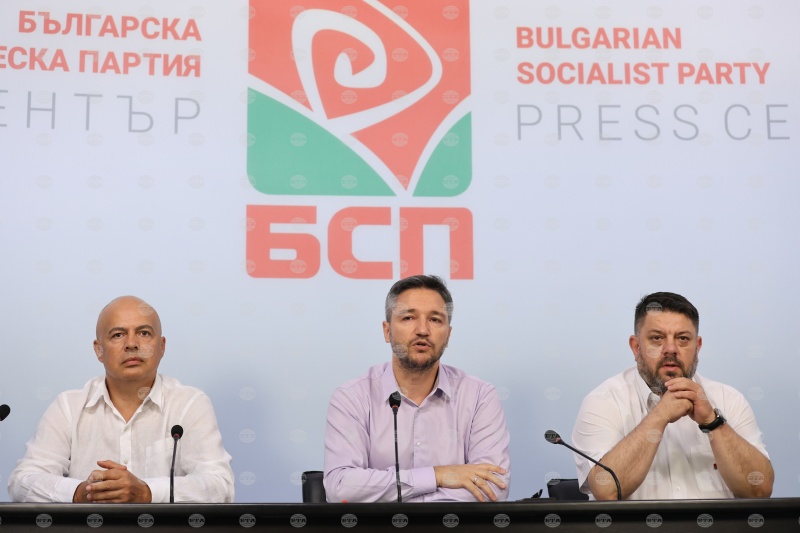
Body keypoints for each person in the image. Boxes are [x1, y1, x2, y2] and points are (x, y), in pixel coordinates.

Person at [8, 296, 234, 503]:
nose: (132, 344)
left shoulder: (189, 404)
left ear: (162, 346)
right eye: (118, 335)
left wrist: (146, 492)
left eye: (144, 333)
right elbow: (22, 481)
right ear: (99, 350)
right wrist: (80, 492)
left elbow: (219, 485)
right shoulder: (68, 407)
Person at [324, 275, 510, 502]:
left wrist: (393, 496)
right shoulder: (352, 397)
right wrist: (438, 475)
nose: (422, 330)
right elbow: (341, 488)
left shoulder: (479, 396)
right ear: (387, 331)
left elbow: (493, 487)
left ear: (448, 335)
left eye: (435, 319)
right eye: (409, 317)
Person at [572, 292, 773, 500]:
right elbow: (607, 491)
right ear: (636, 347)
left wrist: (712, 422)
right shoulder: (602, 401)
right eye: (657, 338)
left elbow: (759, 490)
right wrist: (660, 415)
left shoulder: (729, 399)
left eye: (683, 339)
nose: (671, 349)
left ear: (698, 347)